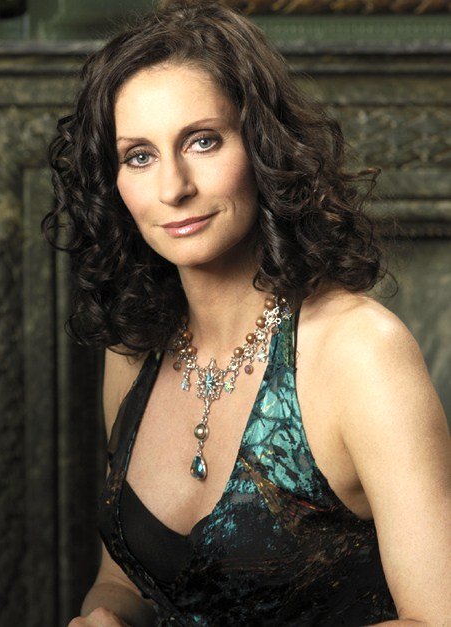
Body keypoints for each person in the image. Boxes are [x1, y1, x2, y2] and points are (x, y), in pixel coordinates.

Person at [42, 0, 451, 625]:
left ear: (262, 147)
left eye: (202, 141)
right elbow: (123, 578)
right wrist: (106, 615)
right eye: (139, 156)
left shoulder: (360, 352)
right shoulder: (135, 347)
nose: (173, 187)